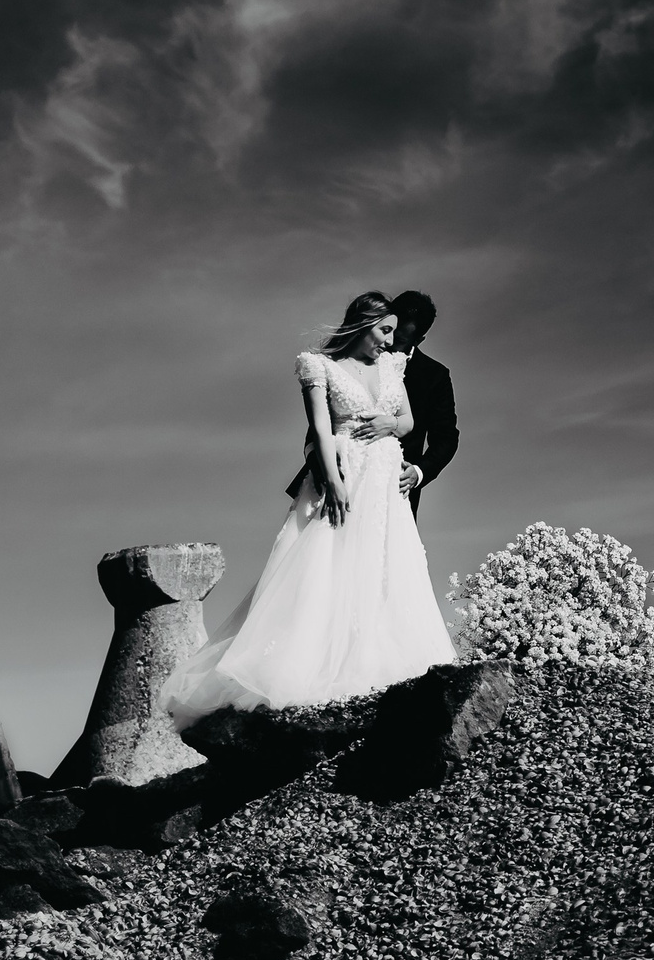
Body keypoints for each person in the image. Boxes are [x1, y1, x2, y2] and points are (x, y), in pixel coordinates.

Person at [161, 291, 455, 726]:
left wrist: (415, 462)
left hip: (390, 486)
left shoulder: (424, 371)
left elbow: (442, 435)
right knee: (324, 567)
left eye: (401, 333)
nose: (392, 342)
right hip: (342, 473)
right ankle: (311, 668)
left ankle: (379, 664)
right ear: (365, 324)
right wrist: (330, 474)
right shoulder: (323, 367)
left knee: (387, 572)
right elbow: (316, 430)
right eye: (387, 330)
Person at [386, 289, 458, 513]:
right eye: (387, 329)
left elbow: (446, 438)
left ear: (419, 340)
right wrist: (313, 454)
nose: (388, 340)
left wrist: (418, 471)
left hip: (394, 489)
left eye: (399, 339)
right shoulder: (357, 352)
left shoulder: (435, 376)